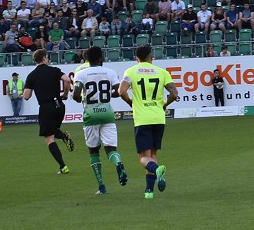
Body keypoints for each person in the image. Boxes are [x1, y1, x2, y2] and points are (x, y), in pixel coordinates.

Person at [119, 44, 178, 200]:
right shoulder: (162, 72)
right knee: (152, 154)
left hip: (142, 119)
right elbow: (174, 93)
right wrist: (164, 104)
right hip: (159, 118)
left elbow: (121, 91)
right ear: (151, 57)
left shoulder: (131, 71)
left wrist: (131, 102)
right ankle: (149, 192)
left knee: (144, 158)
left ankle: (157, 169)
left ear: (137, 58)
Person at [72, 46, 128, 195]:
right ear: (99, 58)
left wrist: (83, 99)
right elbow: (119, 91)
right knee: (111, 149)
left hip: (90, 116)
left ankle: (102, 186)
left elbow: (75, 95)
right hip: (107, 115)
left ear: (88, 59)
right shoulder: (110, 72)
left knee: (93, 151)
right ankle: (118, 163)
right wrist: (109, 94)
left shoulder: (81, 74)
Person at [23, 48, 76, 175]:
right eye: (47, 57)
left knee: (49, 137)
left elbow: (26, 96)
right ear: (43, 59)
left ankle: (63, 166)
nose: (48, 59)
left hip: (46, 107)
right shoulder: (54, 70)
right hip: (59, 106)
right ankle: (64, 136)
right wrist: (65, 93)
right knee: (53, 130)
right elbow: (68, 80)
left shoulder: (32, 75)